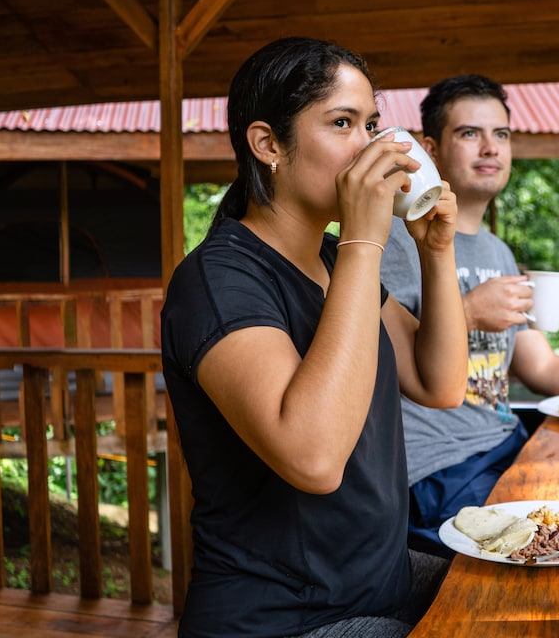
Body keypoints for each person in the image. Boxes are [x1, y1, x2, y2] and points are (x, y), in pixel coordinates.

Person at [161, 37, 468, 637]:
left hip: (379, 584)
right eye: (342, 123)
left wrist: (438, 252)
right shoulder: (217, 279)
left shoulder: (335, 259)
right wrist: (363, 241)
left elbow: (441, 383)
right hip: (290, 620)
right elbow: (315, 457)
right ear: (268, 144)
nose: (373, 146)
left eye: (373, 123)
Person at [379, 74, 559, 556]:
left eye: (502, 135)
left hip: (509, 446)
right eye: (470, 133)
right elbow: (368, 353)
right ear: (429, 148)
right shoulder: (391, 240)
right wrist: (468, 312)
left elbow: (543, 367)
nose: (490, 148)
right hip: (440, 468)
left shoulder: (498, 252)